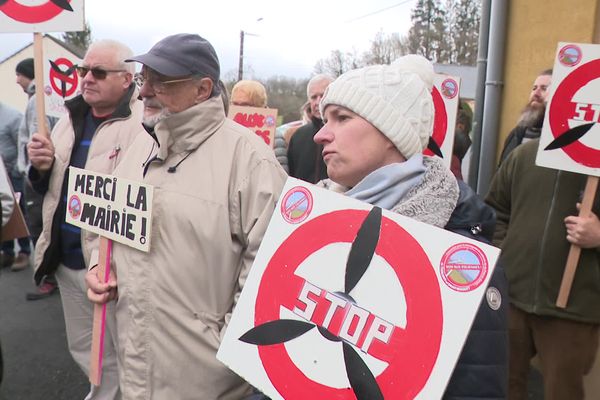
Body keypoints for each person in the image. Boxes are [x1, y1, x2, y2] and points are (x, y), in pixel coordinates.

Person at [86, 33, 286, 399]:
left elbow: (271, 274)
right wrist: (100, 266)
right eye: (145, 78)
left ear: (202, 88)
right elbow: (108, 224)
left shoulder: (251, 160)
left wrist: (224, 351)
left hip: (205, 378)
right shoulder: (140, 148)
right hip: (135, 359)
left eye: (162, 81)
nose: (145, 90)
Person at [314, 55, 508, 399]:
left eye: (342, 118)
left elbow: (474, 386)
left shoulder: (457, 248)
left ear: (392, 134)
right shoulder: (311, 222)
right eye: (325, 119)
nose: (321, 134)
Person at [27, 39, 143, 399]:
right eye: (83, 70)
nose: (86, 78)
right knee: (86, 352)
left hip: (110, 269)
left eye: (99, 72)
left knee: (126, 355)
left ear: (126, 79)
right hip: (67, 262)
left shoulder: (144, 125)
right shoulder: (69, 117)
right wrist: (40, 167)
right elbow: (51, 186)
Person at [485, 138, 600, 400]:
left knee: (563, 392)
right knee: (504, 385)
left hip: (573, 307)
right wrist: (507, 253)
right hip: (512, 296)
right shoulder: (524, 155)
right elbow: (496, 211)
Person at [15, 58, 60, 298]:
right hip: (38, 171)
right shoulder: (43, 97)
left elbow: (36, 134)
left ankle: (49, 277)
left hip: (36, 173)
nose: (16, 79)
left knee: (39, 225)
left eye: (19, 74)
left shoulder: (37, 101)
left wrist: (34, 167)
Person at [231, 79, 289, 172]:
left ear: (260, 106)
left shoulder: (275, 138)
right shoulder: (227, 133)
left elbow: (280, 175)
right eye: (235, 104)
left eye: (245, 105)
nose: (238, 109)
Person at [498, 69, 552, 164]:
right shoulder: (517, 134)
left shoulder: (560, 140)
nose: (536, 93)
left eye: (544, 88)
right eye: (534, 88)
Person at [287, 73, 333, 183]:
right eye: (314, 97)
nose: (318, 102)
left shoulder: (344, 134)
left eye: (322, 95)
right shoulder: (298, 136)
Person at [0, 101, 28, 271]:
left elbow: (23, 145)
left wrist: (19, 170)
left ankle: (24, 250)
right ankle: (7, 250)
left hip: (14, 173)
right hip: (1, 173)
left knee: (20, 212)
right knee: (3, 211)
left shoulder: (13, 116)